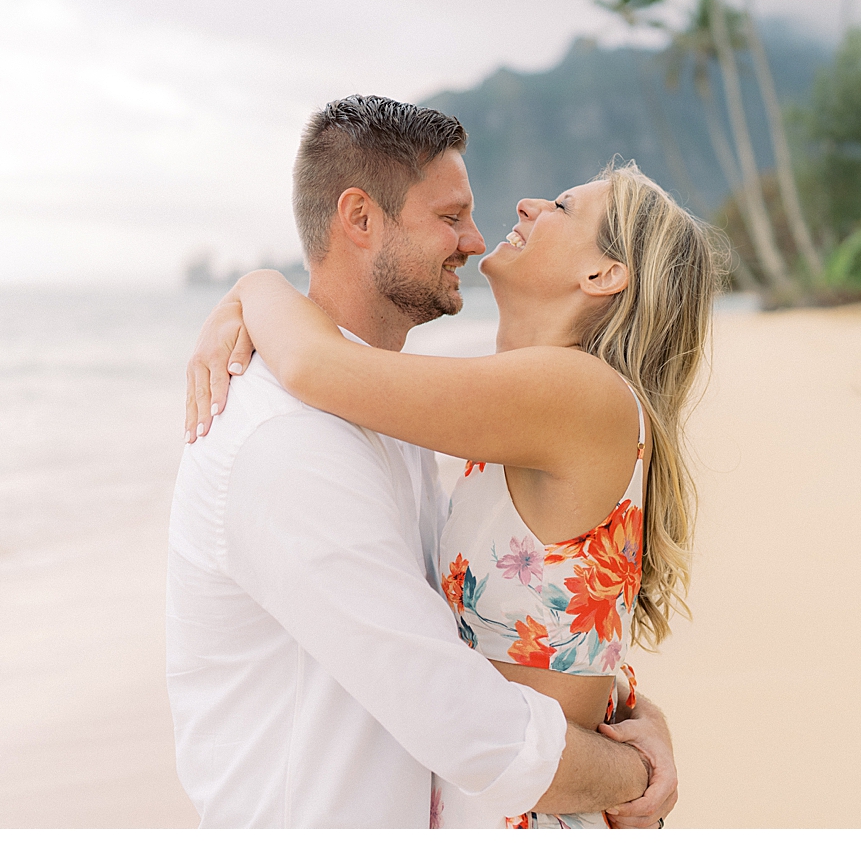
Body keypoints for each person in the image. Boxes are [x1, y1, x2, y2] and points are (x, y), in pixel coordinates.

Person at [167, 95, 680, 829]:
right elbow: (472, 709)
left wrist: (257, 287)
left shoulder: (403, 404)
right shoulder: (292, 440)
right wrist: (633, 762)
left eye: (562, 208)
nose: (475, 238)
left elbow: (505, 649)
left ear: (605, 275)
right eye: (449, 217)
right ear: (360, 219)